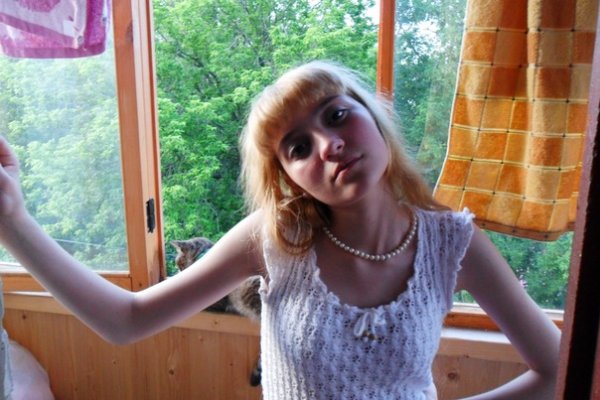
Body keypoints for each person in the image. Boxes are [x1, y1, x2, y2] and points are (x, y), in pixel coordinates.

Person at [0, 60, 560, 399]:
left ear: (373, 116)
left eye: (337, 115)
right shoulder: (272, 239)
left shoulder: (452, 244)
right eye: (297, 147)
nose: (328, 145)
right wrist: (15, 222)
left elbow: (558, 369)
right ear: (289, 178)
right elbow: (126, 321)